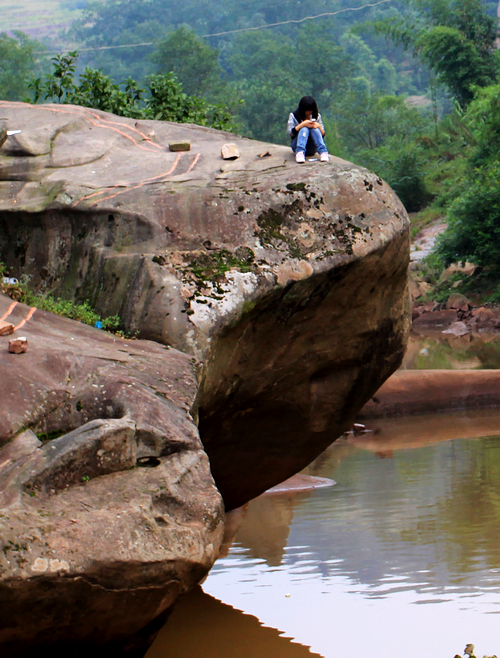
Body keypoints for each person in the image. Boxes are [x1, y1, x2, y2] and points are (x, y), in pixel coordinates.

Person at [287, 96, 329, 163]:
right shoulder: (294, 116)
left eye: (311, 110)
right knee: (304, 129)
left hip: (312, 147)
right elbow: (290, 133)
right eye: (307, 110)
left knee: (314, 129)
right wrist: (302, 125)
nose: (309, 112)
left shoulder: (317, 116)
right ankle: (300, 153)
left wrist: (318, 126)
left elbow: (323, 134)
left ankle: (323, 152)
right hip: (297, 145)